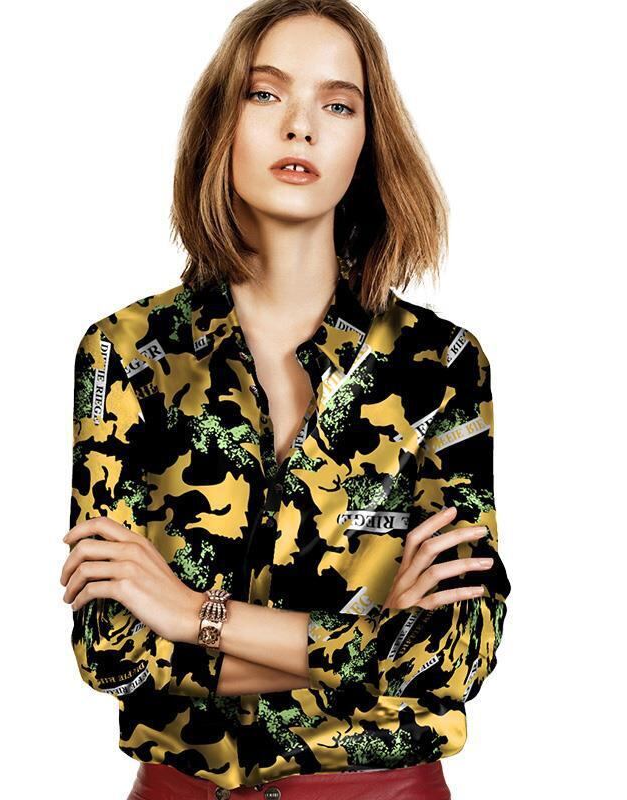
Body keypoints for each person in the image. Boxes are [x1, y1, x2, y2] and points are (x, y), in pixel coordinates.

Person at [60, 1, 511, 797]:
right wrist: (369, 637)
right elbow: (114, 651)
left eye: (337, 105)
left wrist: (191, 614)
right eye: (266, 94)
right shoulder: (126, 354)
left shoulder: (439, 364)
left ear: (367, 142)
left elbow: (451, 653)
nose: (300, 126)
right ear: (221, 122)